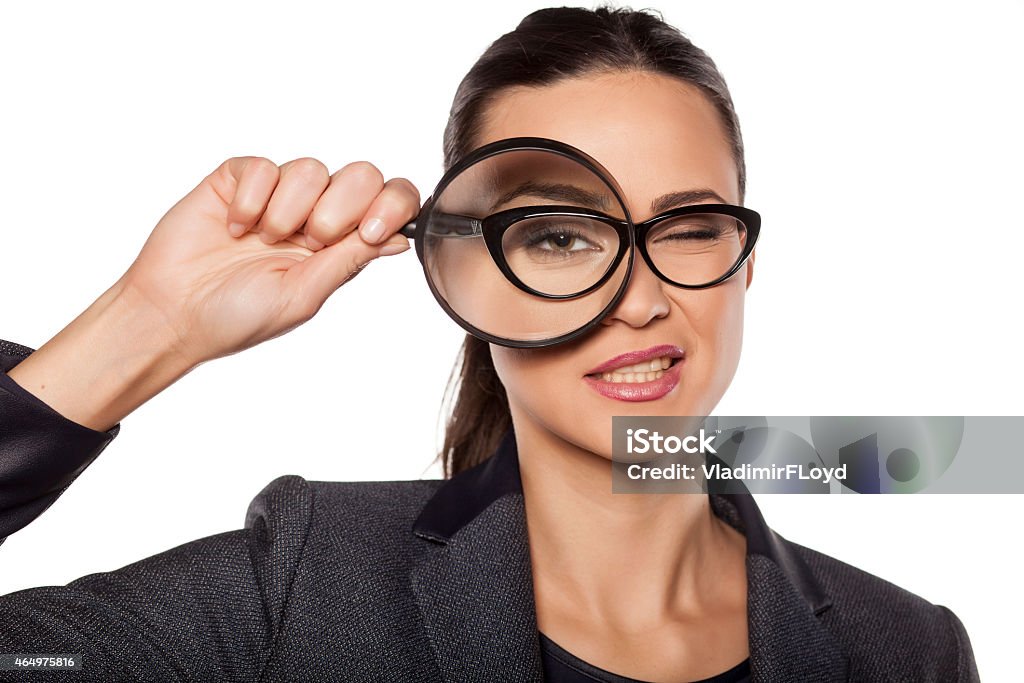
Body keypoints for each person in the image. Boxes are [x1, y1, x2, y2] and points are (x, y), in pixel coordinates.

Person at [0, 5, 978, 682]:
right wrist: (143, 326)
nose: (637, 298)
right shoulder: (303, 581)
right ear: (467, 278)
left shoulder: (905, 647)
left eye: (686, 227)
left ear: (742, 262)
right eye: (560, 235)